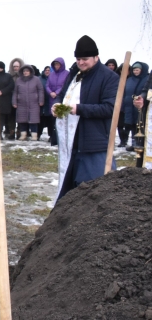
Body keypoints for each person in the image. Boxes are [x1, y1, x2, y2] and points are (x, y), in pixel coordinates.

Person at [54, 35, 119, 204]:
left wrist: (78, 109)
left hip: (95, 145)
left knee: (94, 195)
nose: (81, 62)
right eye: (78, 59)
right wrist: (56, 106)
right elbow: (62, 96)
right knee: (71, 195)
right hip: (72, 145)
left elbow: (110, 108)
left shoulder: (108, 77)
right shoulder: (74, 75)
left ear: (96, 57)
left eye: (85, 59)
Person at [119, 62, 149, 150]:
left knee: (139, 125)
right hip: (129, 106)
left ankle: (140, 143)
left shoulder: (146, 79)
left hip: (139, 106)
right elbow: (125, 93)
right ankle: (133, 143)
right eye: (134, 70)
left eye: (137, 70)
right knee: (131, 125)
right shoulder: (129, 79)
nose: (135, 72)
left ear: (142, 70)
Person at [12, 64, 45, 140]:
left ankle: (34, 136)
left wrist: (41, 100)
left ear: (30, 72)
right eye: (24, 71)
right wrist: (14, 102)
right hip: (21, 104)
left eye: (27, 71)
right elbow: (15, 92)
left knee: (34, 121)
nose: (25, 72)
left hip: (34, 104)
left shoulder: (36, 79)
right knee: (22, 120)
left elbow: (40, 90)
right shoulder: (18, 80)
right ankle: (23, 135)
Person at [44, 58, 69, 144]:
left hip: (62, 98)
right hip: (52, 99)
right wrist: (50, 92)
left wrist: (57, 92)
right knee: (52, 118)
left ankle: (61, 137)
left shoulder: (67, 74)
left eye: (58, 64)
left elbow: (65, 85)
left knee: (61, 117)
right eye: (55, 64)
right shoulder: (51, 74)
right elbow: (47, 85)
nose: (56, 66)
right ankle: (52, 136)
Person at [0, 62, 15, 139]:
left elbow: (11, 86)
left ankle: (10, 133)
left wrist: (2, 92)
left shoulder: (8, 76)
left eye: (1, 68)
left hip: (6, 100)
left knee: (7, 118)